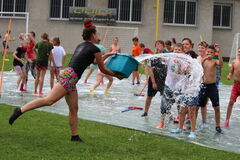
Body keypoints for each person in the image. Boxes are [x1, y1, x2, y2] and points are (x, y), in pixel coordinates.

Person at [8, 18, 124, 142]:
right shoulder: (94, 49)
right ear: (92, 35)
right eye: (97, 33)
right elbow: (102, 68)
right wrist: (116, 75)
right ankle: (20, 110)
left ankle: (75, 136)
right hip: (70, 77)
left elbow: (95, 61)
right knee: (49, 100)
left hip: (70, 77)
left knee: (74, 108)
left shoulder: (83, 46)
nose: (98, 36)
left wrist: (108, 54)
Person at [198, 45, 224, 134]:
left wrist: (218, 53)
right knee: (202, 105)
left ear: (213, 54)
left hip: (212, 86)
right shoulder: (203, 60)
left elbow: (221, 63)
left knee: (217, 107)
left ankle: (218, 126)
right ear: (205, 52)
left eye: (211, 52)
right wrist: (205, 58)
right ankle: (203, 121)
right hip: (203, 86)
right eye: (208, 52)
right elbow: (199, 65)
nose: (209, 54)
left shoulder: (214, 61)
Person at [141, 52, 167, 117]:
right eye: (157, 45)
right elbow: (151, 71)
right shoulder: (153, 59)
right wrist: (153, 82)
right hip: (153, 80)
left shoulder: (166, 59)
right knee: (149, 96)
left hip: (163, 81)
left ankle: (167, 113)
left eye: (160, 45)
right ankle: (145, 112)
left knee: (165, 98)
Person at [222, 48, 240, 128]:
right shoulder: (234, 62)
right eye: (239, 51)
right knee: (231, 102)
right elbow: (232, 71)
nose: (239, 53)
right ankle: (227, 121)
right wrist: (229, 75)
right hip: (236, 85)